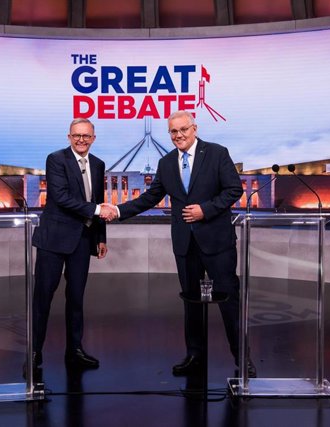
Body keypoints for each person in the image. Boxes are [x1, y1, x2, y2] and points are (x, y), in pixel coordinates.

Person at [101, 110, 255, 377]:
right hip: (185, 244)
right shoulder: (167, 163)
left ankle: (242, 359)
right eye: (173, 131)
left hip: (217, 242)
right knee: (192, 302)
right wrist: (118, 210)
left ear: (194, 128)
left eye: (183, 129)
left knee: (229, 301)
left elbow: (234, 190)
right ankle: (194, 356)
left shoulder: (217, 153)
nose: (178, 135)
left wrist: (205, 210)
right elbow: (150, 197)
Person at [30, 118, 113, 374]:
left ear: (93, 138)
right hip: (54, 240)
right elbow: (61, 197)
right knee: (43, 298)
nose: (81, 140)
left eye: (86, 136)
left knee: (76, 298)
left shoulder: (98, 164)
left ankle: (74, 351)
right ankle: (34, 354)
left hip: (82, 240)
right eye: (76, 135)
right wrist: (99, 210)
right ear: (68, 137)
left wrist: (100, 237)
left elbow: (97, 199)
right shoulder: (56, 159)